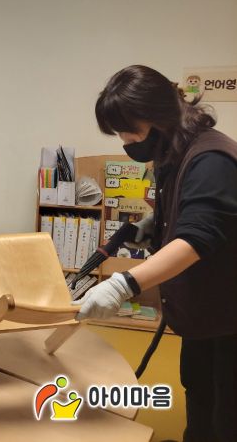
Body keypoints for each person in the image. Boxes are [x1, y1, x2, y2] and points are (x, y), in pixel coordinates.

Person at [75, 65, 237, 442]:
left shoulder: (212, 159)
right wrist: (156, 224)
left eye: (128, 131)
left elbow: (195, 239)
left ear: (158, 117)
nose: (125, 141)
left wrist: (124, 284)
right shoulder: (174, 152)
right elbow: (193, 213)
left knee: (227, 414)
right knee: (199, 391)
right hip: (206, 311)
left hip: (230, 314)